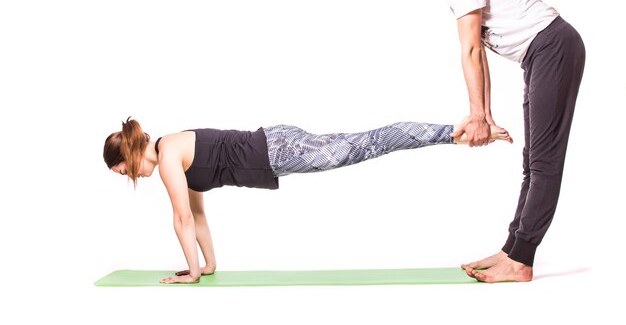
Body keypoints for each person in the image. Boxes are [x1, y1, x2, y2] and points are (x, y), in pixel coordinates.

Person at [393, 0, 585, 282]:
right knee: (533, 161)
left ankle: (522, 260)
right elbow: (477, 53)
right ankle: (513, 249)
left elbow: (469, 51)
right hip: (541, 54)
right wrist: (484, 114)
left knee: (544, 162)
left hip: (553, 46)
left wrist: (479, 116)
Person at [104, 117, 512, 284]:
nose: (129, 178)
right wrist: (207, 266)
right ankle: (458, 132)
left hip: (279, 152)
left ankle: (458, 131)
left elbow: (181, 220)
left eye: (123, 171)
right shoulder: (173, 151)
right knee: (363, 143)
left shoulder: (170, 155)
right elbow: (197, 214)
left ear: (130, 155)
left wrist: (190, 273)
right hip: (277, 144)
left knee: (366, 145)